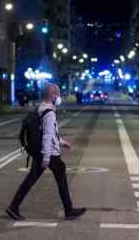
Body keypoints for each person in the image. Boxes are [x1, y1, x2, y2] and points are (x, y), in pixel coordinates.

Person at [6, 83, 86, 221]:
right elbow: (47, 136)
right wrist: (46, 158)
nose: (59, 97)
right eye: (58, 94)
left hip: (41, 152)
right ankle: (69, 210)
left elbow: (47, 133)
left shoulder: (41, 108)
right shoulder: (49, 113)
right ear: (52, 95)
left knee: (31, 179)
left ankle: (14, 206)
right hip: (49, 153)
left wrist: (62, 142)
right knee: (60, 176)